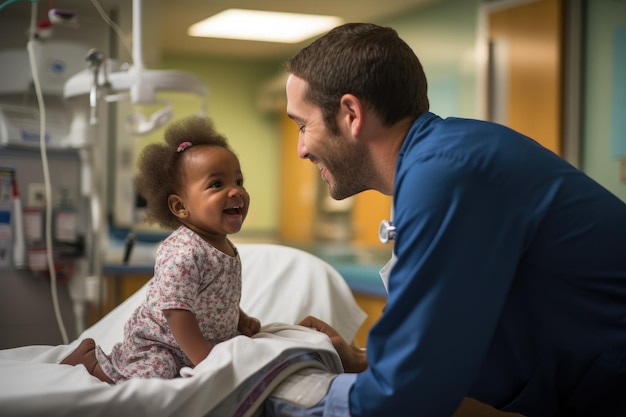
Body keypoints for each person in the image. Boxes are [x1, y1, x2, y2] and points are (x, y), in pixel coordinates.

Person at [265, 23, 626, 417]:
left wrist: (277, 396)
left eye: (303, 125)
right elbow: (447, 345)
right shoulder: (442, 159)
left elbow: (404, 398)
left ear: (351, 113)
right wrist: (364, 361)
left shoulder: (445, 172)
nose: (301, 149)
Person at [61, 116, 260, 383]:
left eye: (238, 181)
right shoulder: (183, 252)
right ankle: (91, 360)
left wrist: (240, 318)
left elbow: (216, 299)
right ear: (180, 207)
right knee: (155, 376)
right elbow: (176, 312)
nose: (236, 191)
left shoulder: (224, 245)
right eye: (217, 184)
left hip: (196, 343)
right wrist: (205, 358)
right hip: (160, 343)